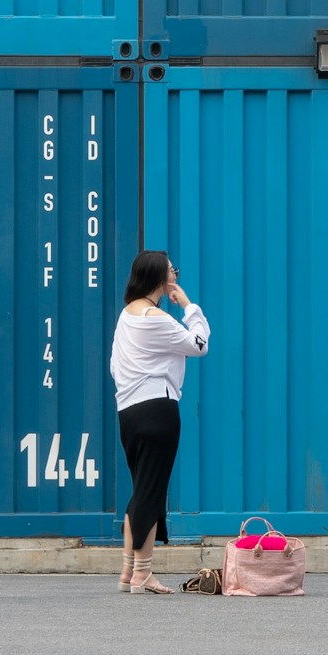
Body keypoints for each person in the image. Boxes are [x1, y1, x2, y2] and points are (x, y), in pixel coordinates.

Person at [110, 250, 210, 594]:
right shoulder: (157, 318)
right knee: (151, 493)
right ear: (159, 278)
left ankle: (127, 571)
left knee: (140, 489)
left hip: (129, 411)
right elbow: (200, 344)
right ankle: (143, 573)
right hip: (157, 409)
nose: (176, 277)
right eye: (172, 272)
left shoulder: (127, 316)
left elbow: (114, 365)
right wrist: (189, 307)